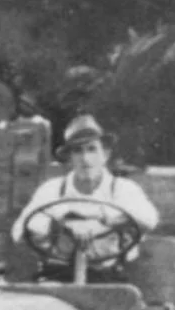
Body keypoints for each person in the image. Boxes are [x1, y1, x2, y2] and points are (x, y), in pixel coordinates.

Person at [11, 114, 158, 276]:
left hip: (108, 276)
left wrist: (102, 220)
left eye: (92, 149)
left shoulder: (122, 189)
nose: (85, 159)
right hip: (58, 273)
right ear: (70, 158)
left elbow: (149, 219)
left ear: (105, 154)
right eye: (77, 151)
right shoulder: (52, 189)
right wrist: (63, 224)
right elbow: (19, 231)